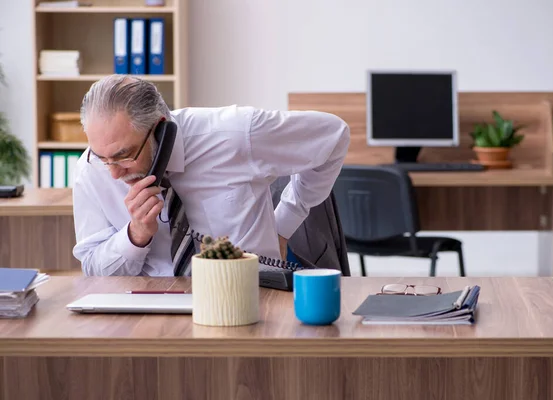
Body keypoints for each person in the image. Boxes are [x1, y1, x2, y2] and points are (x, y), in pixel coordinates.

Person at [72, 75, 350, 276]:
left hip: (249, 298)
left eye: (124, 156)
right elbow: (93, 271)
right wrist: (134, 236)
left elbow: (335, 135)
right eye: (102, 158)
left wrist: (285, 222)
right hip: (151, 312)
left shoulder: (236, 133)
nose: (114, 172)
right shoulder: (90, 171)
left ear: (161, 129)